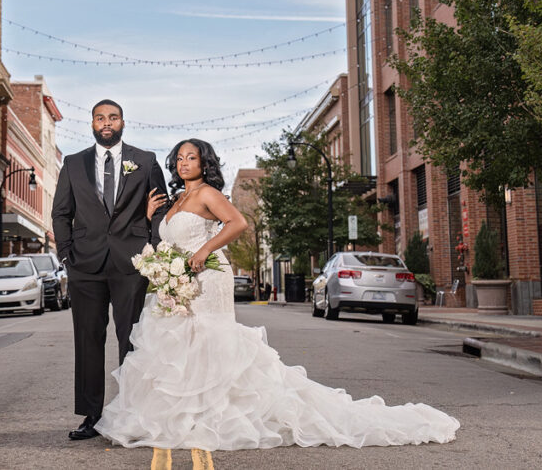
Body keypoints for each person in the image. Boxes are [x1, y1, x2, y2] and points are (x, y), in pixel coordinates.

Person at [95, 139, 460, 450]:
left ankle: (211, 414)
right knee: (178, 346)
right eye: (179, 157)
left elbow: (238, 223)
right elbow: (163, 240)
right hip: (179, 280)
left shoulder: (208, 193)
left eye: (191, 157)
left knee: (206, 341)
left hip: (207, 276)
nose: (183, 162)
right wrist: (148, 217)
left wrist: (205, 250)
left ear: (204, 163)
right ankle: (181, 416)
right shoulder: (174, 199)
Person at [52, 99, 168, 441]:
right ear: (91, 123)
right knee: (87, 340)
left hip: (130, 262)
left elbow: (161, 208)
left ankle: (132, 412)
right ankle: (91, 415)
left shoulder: (145, 161)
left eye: (113, 117)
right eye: (100, 118)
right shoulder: (73, 164)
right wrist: (66, 253)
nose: (107, 123)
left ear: (122, 122)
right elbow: (61, 213)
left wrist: (153, 247)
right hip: (84, 265)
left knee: (130, 338)